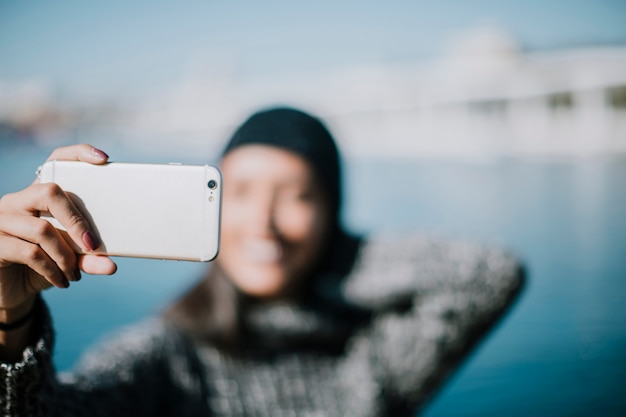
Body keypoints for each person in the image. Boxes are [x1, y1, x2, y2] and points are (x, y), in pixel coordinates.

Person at [0, 107, 524, 416]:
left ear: (332, 212)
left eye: (297, 196)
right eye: (242, 191)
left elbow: (489, 273)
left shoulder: (371, 352)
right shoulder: (165, 357)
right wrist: (10, 320)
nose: (263, 221)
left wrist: (329, 254)